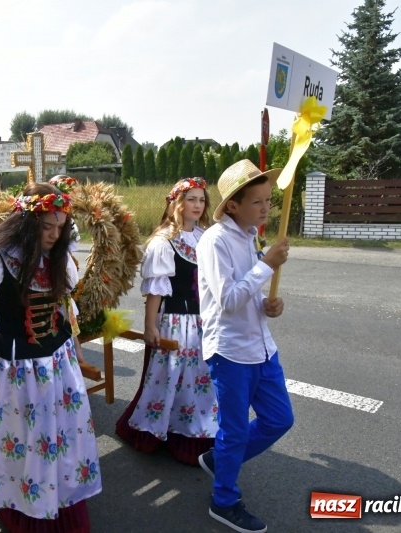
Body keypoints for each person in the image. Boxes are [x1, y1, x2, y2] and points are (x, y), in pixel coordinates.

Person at [0, 182, 100, 533]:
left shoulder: (57, 259)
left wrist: (75, 350)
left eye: (59, 226)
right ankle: (20, 503)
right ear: (25, 221)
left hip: (56, 364)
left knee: (55, 437)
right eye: (46, 226)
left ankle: (56, 495)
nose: (53, 234)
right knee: (20, 439)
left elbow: (65, 309)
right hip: (14, 372)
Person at [196, 160, 293, 533]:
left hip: (262, 346)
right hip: (231, 351)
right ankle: (224, 501)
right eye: (258, 202)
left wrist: (271, 305)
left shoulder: (249, 235)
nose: (266, 208)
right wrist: (266, 265)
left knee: (279, 419)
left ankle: (222, 459)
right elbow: (227, 300)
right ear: (232, 205)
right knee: (234, 431)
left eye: (268, 201)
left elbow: (249, 298)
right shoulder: (215, 240)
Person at [115, 177, 218, 465]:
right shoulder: (163, 241)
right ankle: (158, 430)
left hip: (200, 319)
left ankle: (195, 429)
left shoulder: (203, 236)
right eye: (191, 199)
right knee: (170, 376)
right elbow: (156, 290)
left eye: (201, 199)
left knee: (198, 378)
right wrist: (151, 326)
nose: (197, 205)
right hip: (174, 320)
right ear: (177, 203)